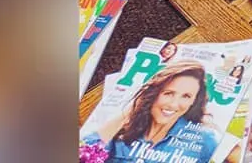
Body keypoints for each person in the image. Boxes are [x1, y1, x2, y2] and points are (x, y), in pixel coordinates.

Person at [81, 62, 220, 162]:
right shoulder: (124, 129)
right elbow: (83, 152)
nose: (173, 104)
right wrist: (134, 109)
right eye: (168, 93)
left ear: (194, 102)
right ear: (154, 93)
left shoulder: (203, 138)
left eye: (186, 96)